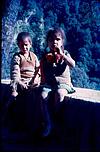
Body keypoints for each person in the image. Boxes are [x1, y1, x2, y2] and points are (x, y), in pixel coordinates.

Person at [40, 27, 75, 137]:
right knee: (42, 95)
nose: (54, 42)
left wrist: (63, 56)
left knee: (59, 94)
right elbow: (42, 71)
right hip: (50, 84)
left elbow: (73, 64)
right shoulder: (46, 56)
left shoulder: (65, 53)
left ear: (62, 41)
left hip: (64, 83)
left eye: (57, 39)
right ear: (47, 42)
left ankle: (55, 119)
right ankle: (48, 122)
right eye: (51, 40)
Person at [10, 32, 40, 100]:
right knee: (14, 95)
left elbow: (38, 70)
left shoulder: (34, 56)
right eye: (21, 45)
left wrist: (35, 80)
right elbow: (15, 72)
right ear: (18, 45)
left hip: (32, 82)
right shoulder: (17, 57)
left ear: (30, 44)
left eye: (26, 45)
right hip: (20, 81)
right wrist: (20, 82)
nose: (24, 47)